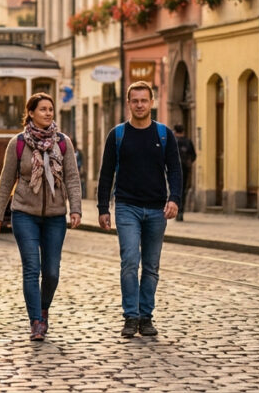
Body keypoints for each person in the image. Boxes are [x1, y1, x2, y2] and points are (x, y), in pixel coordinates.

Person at [0, 93, 82, 341]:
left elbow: (72, 178)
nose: (48, 113)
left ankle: (43, 308)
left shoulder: (63, 143)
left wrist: (76, 208)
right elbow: (6, 180)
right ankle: (36, 322)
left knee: (51, 272)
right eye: (43, 109)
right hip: (24, 214)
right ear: (30, 113)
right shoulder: (18, 143)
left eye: (51, 109)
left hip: (55, 216)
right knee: (32, 268)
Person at [96, 81, 182, 339]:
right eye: (135, 101)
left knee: (152, 266)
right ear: (129, 103)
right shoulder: (118, 135)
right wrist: (103, 208)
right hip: (126, 207)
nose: (140, 105)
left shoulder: (164, 135)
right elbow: (106, 172)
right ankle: (130, 317)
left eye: (144, 100)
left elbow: (176, 170)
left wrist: (175, 199)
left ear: (152, 102)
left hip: (157, 209)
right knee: (130, 262)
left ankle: (146, 317)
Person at [172, 124, 196, 222]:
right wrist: (188, 162)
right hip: (185, 169)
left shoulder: (173, 141)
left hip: (173, 169)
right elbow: (193, 155)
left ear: (175, 131)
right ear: (183, 131)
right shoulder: (188, 141)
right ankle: (181, 211)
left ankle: (176, 210)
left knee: (174, 190)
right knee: (183, 190)